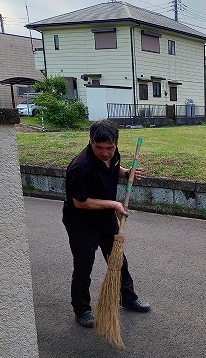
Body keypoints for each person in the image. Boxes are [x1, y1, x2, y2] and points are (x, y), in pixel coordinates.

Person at [62, 119, 150, 328]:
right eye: (99, 148)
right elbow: (80, 202)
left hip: (105, 219)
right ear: (91, 141)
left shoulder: (113, 154)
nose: (105, 153)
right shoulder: (81, 166)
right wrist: (114, 204)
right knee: (84, 266)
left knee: (118, 260)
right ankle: (82, 309)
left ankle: (127, 298)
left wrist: (127, 173)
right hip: (81, 223)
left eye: (110, 148)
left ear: (116, 143)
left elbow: (114, 168)